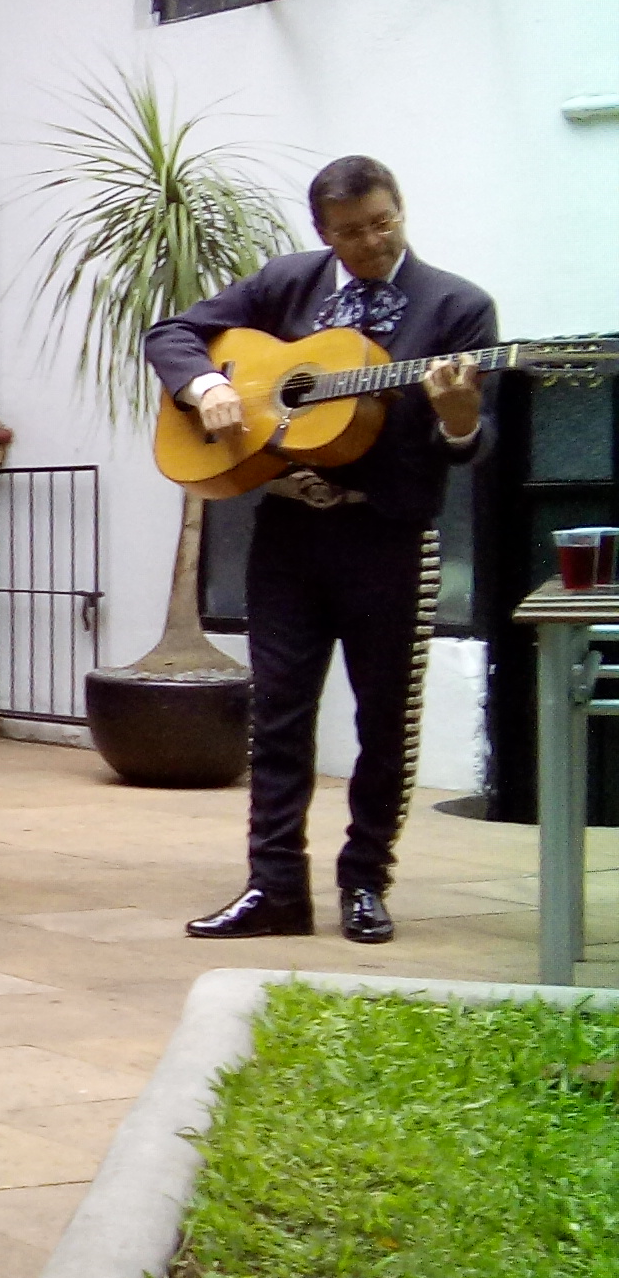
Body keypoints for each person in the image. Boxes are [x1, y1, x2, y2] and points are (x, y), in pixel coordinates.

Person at [145, 156, 494, 946]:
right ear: (322, 233)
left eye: (383, 222)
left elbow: (472, 450)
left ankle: (366, 882)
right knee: (278, 715)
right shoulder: (288, 283)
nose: (371, 242)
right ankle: (275, 889)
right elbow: (170, 333)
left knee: (384, 723)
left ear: (400, 209)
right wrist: (207, 387)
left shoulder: (457, 306)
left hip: (388, 538)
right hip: (290, 535)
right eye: (351, 232)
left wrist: (461, 417)